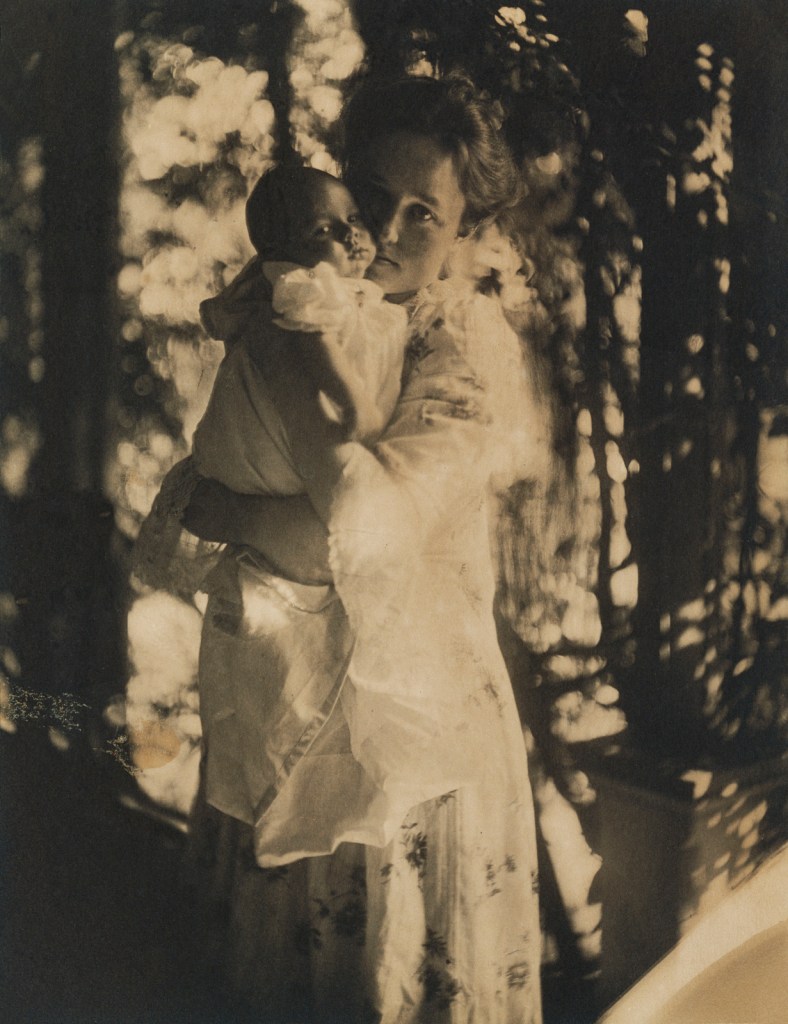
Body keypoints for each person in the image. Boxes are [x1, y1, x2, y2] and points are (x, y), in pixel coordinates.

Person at [185, 74, 543, 1024]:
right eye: (375, 198)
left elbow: (351, 534)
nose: (387, 230)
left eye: (425, 213)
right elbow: (229, 454)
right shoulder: (300, 303)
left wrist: (231, 511)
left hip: (412, 740)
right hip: (285, 701)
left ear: (462, 234)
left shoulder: (465, 346)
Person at [131, 165, 407, 597]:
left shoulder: (349, 292)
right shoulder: (307, 286)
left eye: (352, 219)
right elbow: (314, 345)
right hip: (258, 457)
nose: (350, 235)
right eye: (322, 231)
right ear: (282, 255)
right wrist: (353, 402)